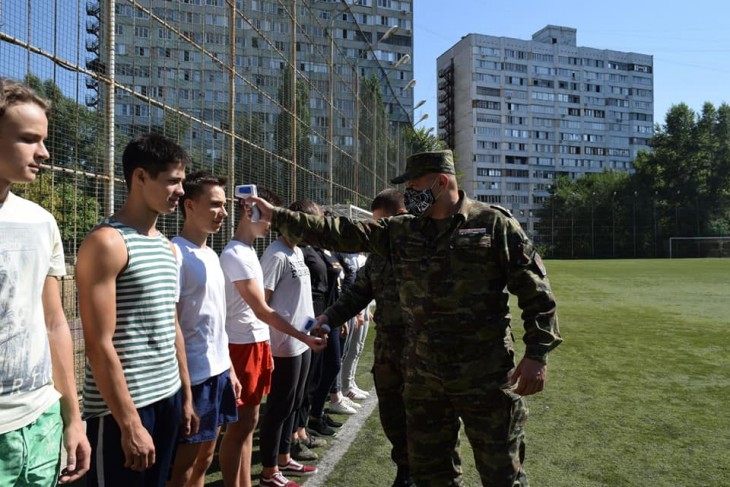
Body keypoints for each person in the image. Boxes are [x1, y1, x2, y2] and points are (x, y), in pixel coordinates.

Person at [249, 149, 562, 487]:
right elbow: (342, 232)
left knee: (502, 473)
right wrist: (280, 216)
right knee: (430, 475)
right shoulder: (402, 231)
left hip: (484, 375)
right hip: (423, 378)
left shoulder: (492, 224)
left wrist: (536, 355)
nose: (409, 193)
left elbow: (537, 294)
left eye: (415, 185)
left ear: (441, 182)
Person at [77, 133, 197, 487]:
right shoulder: (107, 242)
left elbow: (170, 325)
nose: (181, 191)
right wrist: (130, 424)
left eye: (182, 181)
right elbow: (99, 344)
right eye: (173, 181)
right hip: (123, 410)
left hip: (168, 397)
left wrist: (186, 396)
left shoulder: (166, 247)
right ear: (140, 177)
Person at [0, 78, 90, 485]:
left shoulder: (41, 222)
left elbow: (55, 323)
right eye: (28, 139)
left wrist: (73, 418)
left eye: (44, 139)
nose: (44, 152)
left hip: (42, 419)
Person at [218, 192, 325, 487]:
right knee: (240, 427)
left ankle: (268, 469)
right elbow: (263, 308)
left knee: (249, 424)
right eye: (266, 214)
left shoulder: (249, 251)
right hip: (247, 345)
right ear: (249, 211)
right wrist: (301, 333)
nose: (271, 222)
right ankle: (267, 471)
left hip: (260, 342)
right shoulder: (241, 254)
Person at [316, 188, 415, 487]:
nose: (374, 232)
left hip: (428, 358)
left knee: (430, 428)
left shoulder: (429, 246)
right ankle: (405, 473)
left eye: (379, 224)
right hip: (391, 357)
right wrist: (328, 317)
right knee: (395, 422)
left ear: (399, 217)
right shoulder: (379, 256)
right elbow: (358, 292)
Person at [168, 171, 241, 487]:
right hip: (193, 380)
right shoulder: (175, 254)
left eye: (224, 206)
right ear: (189, 206)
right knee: (181, 468)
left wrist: (231, 369)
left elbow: (216, 322)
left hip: (219, 373)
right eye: (214, 205)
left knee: (204, 461)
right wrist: (185, 391)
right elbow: (173, 327)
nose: (223, 213)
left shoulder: (211, 255)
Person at [256, 199, 322, 487]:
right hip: (284, 344)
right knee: (279, 407)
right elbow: (262, 301)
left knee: (294, 402)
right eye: (307, 224)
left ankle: (284, 457)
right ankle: (268, 470)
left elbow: (300, 302)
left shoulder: (296, 251)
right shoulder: (276, 255)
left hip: (302, 341)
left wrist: (312, 328)